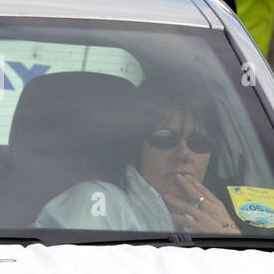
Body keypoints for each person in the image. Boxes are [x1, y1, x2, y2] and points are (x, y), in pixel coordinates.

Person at [35, 96, 239, 234]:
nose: (184, 154)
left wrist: (230, 237)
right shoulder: (95, 202)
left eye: (199, 143)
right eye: (165, 138)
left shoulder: (212, 219)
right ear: (135, 147)